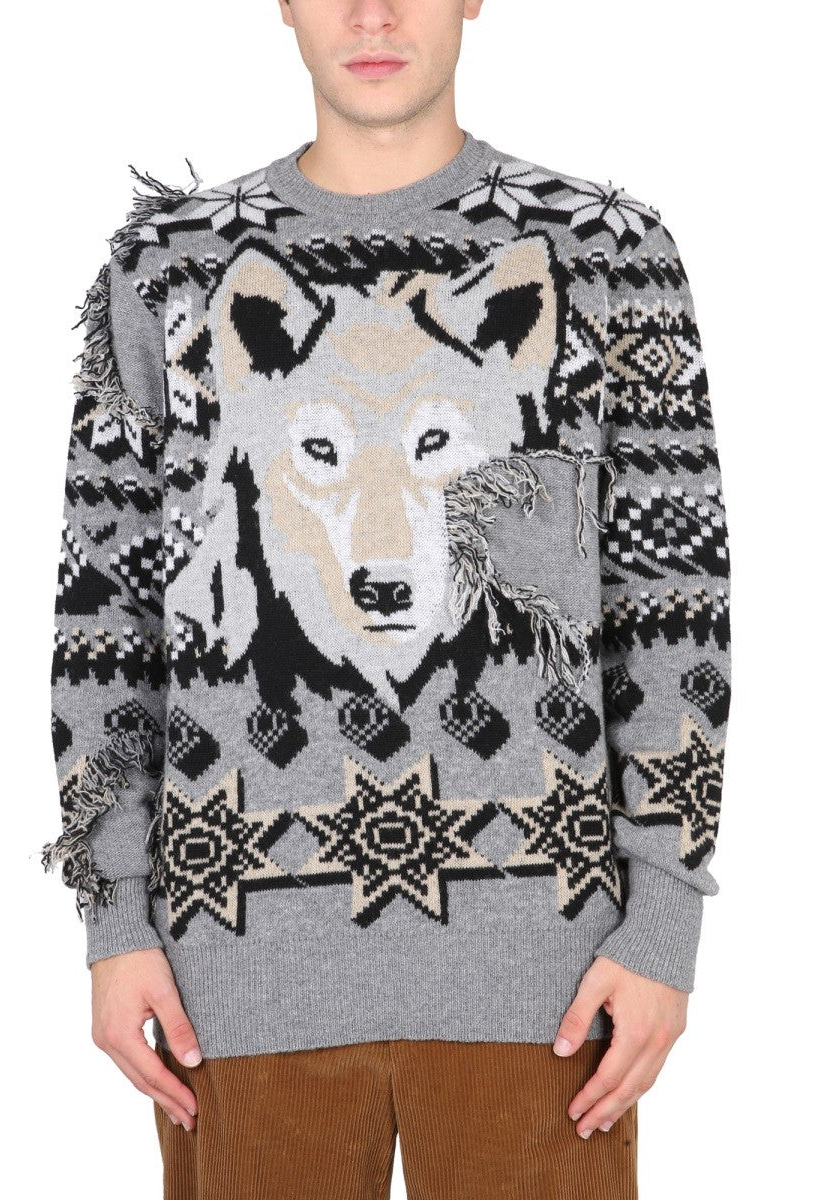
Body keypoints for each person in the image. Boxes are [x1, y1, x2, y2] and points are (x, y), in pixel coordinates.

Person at [38, 2, 731, 1196]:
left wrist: (665, 918)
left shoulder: (605, 253)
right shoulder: (171, 269)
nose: (372, 11)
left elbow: (674, 602)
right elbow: (108, 605)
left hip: (553, 980)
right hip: (234, 975)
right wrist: (115, 915)